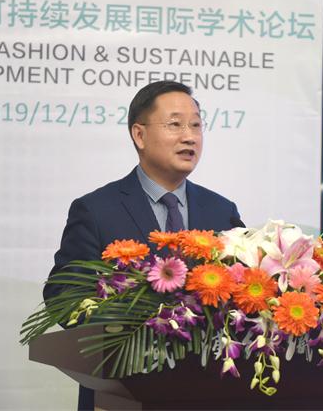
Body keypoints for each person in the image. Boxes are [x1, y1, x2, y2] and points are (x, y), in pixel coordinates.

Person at [43, 81, 243, 410]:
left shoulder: (221, 211)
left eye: (196, 125)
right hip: (122, 392)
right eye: (175, 124)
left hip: (208, 393)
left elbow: (244, 292)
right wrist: (128, 326)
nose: (190, 136)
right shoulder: (96, 210)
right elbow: (63, 294)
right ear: (139, 135)